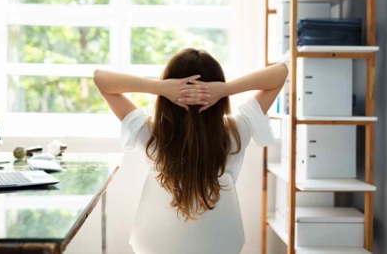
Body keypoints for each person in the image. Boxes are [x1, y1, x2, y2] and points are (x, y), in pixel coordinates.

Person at [93, 48, 287, 244]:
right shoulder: (237, 132)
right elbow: (280, 73)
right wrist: (224, 89)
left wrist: (160, 87)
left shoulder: (151, 134)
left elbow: (101, 79)